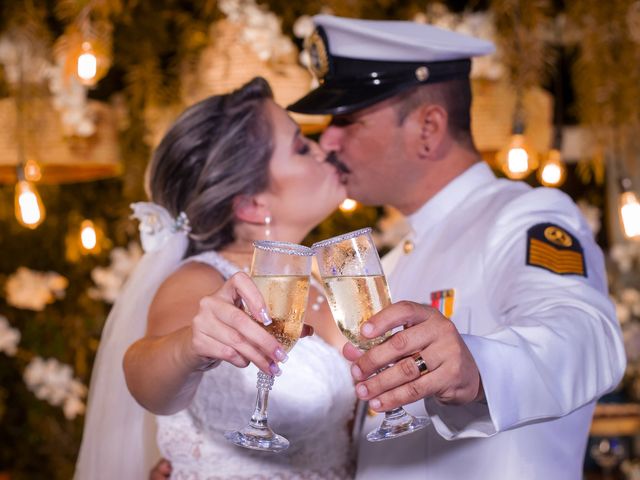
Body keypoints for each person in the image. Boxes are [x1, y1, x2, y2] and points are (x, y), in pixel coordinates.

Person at [287, 15, 626, 480]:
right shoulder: (389, 261)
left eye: (348, 119)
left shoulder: (524, 216)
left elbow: (586, 333)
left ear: (428, 127)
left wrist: (477, 365)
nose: (328, 139)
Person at [75, 77, 356, 479]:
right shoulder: (201, 279)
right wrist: (191, 346)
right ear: (251, 205)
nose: (323, 147)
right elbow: (144, 375)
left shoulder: (324, 284)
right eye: (299, 146)